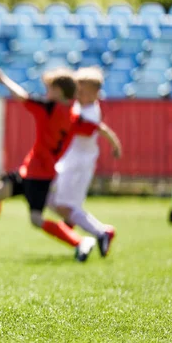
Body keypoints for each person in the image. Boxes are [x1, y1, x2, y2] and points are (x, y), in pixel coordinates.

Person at [0, 67, 94, 259]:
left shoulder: (50, 108)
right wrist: (111, 138)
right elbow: (93, 128)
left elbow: (22, 96)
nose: (47, 92)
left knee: (36, 219)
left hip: (40, 173)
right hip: (30, 170)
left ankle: (80, 242)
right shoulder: (74, 115)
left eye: (49, 88)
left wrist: (4, 79)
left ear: (58, 91)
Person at [46, 67, 121, 261]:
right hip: (70, 160)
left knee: (64, 206)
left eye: (83, 91)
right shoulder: (81, 106)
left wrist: (113, 141)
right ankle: (81, 227)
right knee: (53, 200)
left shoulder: (89, 112)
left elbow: (90, 128)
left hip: (79, 164)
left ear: (96, 93)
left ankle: (100, 232)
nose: (78, 94)